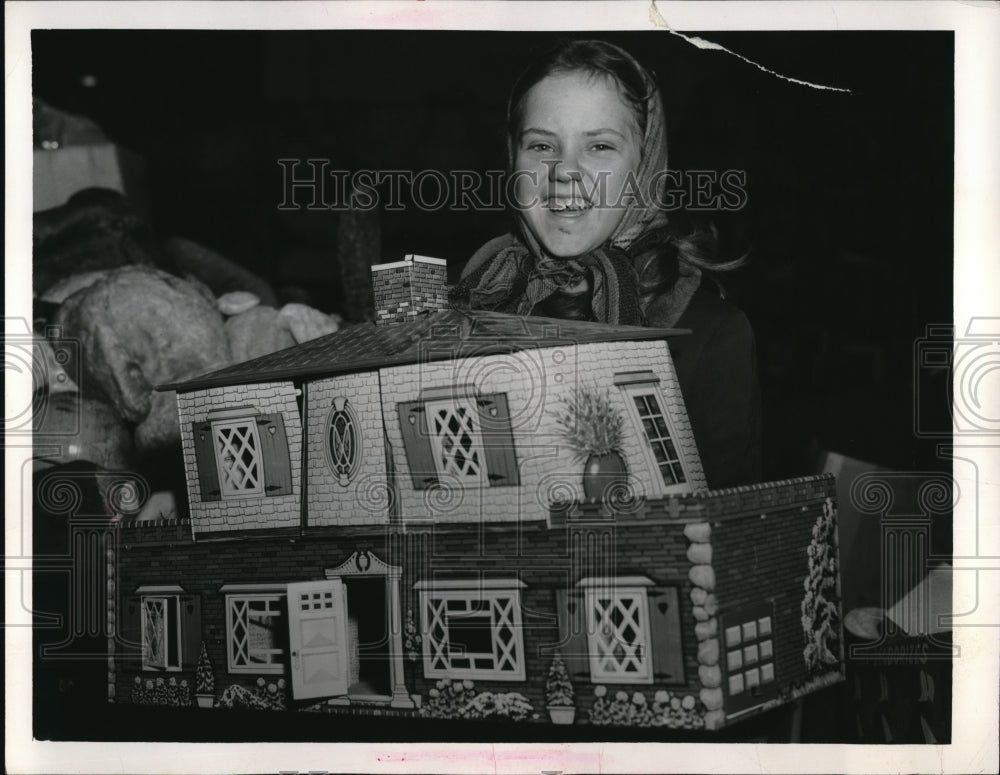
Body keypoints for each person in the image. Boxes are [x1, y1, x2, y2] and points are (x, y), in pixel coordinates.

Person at [450, 39, 761, 489]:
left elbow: (730, 540)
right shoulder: (471, 299)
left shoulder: (711, 337)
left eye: (598, 146)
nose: (564, 172)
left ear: (646, 164)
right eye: (540, 146)